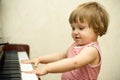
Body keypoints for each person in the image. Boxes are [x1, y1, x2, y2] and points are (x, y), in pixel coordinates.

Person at [21, 1, 109, 80]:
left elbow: (74, 63)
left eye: (81, 28)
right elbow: (60, 56)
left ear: (97, 30)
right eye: (73, 28)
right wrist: (40, 59)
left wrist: (47, 68)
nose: (75, 32)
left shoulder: (92, 50)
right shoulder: (75, 45)